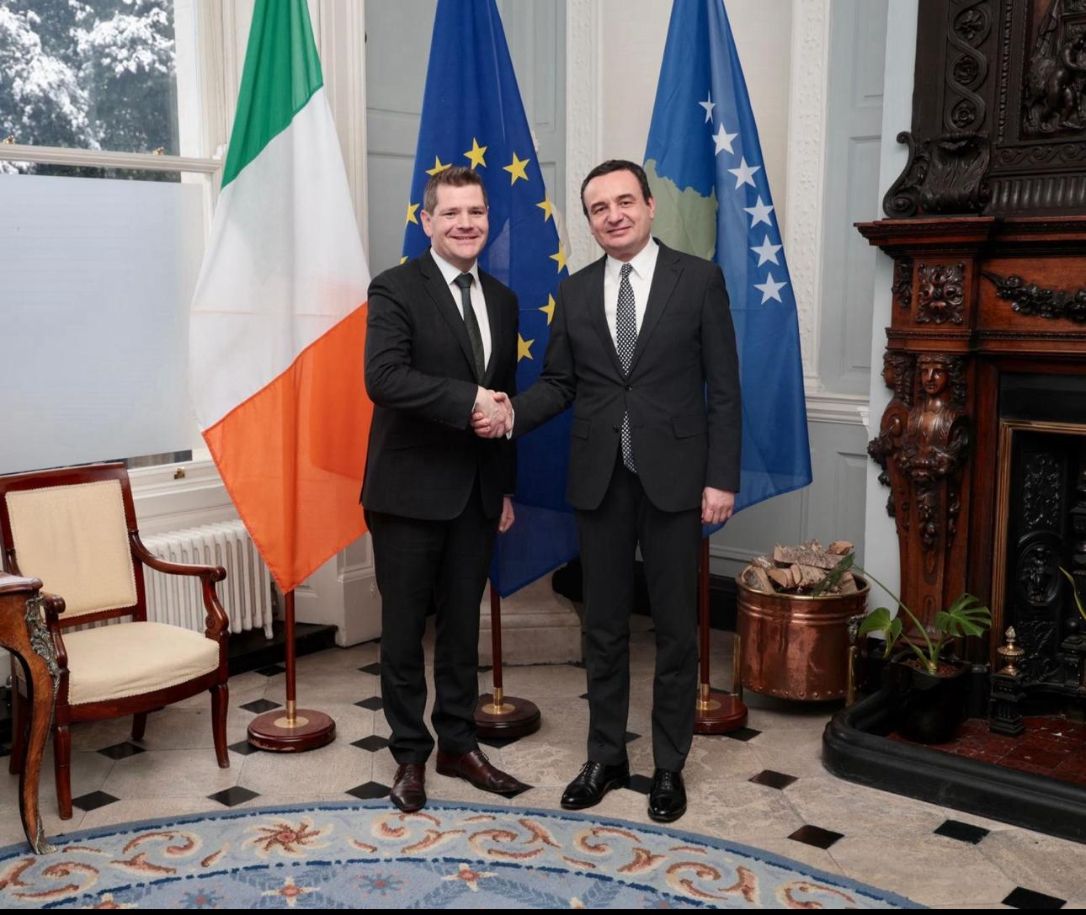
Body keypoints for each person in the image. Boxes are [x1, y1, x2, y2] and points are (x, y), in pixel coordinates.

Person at [474, 160, 741, 823]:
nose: (614, 215)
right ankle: (606, 756)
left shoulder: (698, 279)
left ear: (649, 206)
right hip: (601, 480)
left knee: (675, 628)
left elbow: (725, 389)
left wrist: (721, 478)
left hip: (677, 480)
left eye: (625, 201)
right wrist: (510, 414)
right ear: (590, 221)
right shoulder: (575, 291)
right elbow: (560, 382)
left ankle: (669, 764)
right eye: (599, 208)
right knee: (603, 626)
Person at [362, 166, 528, 813]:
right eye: (452, 213)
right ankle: (410, 753)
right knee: (405, 634)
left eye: (476, 212)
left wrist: (503, 487)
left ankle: (458, 744)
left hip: (477, 494)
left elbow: (504, 402)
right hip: (406, 492)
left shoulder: (504, 301)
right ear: (427, 221)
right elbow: (383, 378)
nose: (465, 223)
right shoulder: (395, 287)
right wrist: (467, 401)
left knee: (461, 631)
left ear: (488, 219)